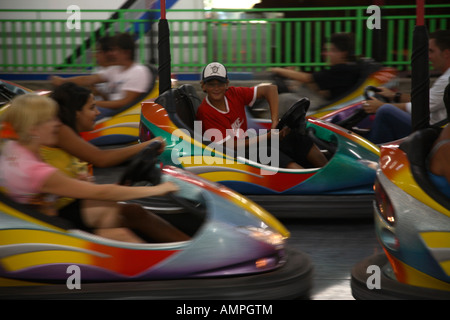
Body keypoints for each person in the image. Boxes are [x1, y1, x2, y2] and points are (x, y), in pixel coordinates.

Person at [0, 93, 190, 243]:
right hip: (48, 233)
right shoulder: (35, 171)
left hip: (40, 221)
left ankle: (184, 247)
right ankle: (174, 265)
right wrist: (159, 189)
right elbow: (102, 191)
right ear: (33, 128)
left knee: (127, 211)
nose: (58, 123)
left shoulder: (15, 148)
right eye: (51, 119)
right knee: (119, 233)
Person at [196, 62, 328, 169]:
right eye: (211, 84)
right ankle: (304, 180)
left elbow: (270, 89)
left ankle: (325, 170)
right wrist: (268, 136)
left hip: (246, 143)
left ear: (226, 84)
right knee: (269, 153)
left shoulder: (234, 93)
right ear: (203, 86)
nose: (216, 88)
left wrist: (275, 121)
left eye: (220, 83)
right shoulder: (205, 111)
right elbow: (229, 146)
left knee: (295, 136)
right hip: (229, 156)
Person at [362, 29, 450, 144]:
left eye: (431, 51)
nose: (428, 56)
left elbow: (420, 108)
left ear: (446, 53)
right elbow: (425, 100)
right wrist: (395, 96)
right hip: (433, 127)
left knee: (385, 111)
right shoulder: (446, 76)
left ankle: (371, 155)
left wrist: (381, 106)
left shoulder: (446, 79)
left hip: (432, 131)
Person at [50, 32, 152, 117]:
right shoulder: (115, 69)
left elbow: (124, 103)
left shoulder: (139, 71)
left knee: (75, 114)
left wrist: (90, 104)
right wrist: (63, 81)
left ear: (126, 52)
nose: (111, 54)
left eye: (116, 50)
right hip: (108, 109)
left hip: (120, 113)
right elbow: (88, 79)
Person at [270, 33, 361, 109]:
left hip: (328, 108)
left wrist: (277, 69)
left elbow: (307, 78)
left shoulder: (343, 69)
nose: (324, 54)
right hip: (329, 103)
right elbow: (321, 89)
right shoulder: (348, 68)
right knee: (291, 94)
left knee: (284, 99)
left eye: (330, 50)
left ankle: (268, 128)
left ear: (343, 53)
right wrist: (297, 77)